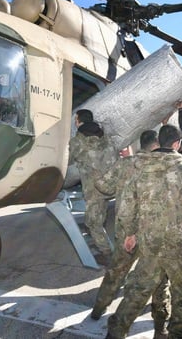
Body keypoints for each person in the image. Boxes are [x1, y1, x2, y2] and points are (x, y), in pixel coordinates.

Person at [106, 124, 182, 339]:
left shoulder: (141, 169)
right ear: (176, 144)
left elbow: (127, 207)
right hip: (180, 246)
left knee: (137, 292)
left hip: (150, 244)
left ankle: (115, 333)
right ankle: (177, 334)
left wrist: (129, 234)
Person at [91, 130, 172, 328]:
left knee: (116, 272)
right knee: (159, 280)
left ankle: (99, 308)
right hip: (153, 234)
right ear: (156, 144)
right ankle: (161, 326)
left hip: (126, 232)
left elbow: (102, 186)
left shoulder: (125, 164)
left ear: (141, 145)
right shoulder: (166, 166)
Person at [68, 109, 117, 262]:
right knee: (100, 216)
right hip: (111, 184)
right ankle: (104, 243)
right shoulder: (106, 137)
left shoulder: (77, 141)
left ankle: (107, 253)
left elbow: (68, 161)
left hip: (94, 188)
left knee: (92, 223)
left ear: (78, 120)